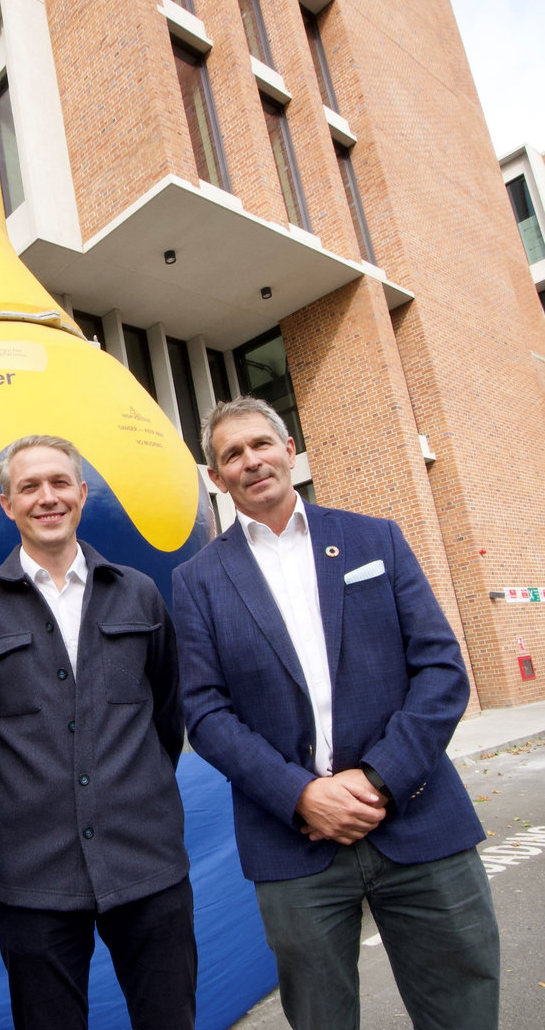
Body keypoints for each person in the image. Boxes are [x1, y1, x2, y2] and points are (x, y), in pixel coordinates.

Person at [172, 395, 499, 1030]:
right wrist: (301, 794)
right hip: (293, 844)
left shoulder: (374, 538)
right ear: (217, 479)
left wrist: (376, 778)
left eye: (260, 444)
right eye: (231, 454)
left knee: (463, 1009)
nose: (250, 461)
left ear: (288, 449)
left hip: (419, 819)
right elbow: (205, 713)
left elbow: (440, 668)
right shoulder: (197, 581)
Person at [0, 435, 197, 1030]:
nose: (46, 497)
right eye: (29, 486)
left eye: (59, 483)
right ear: (7, 504)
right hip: (32, 878)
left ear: (82, 494)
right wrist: (26, 799)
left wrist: (130, 788)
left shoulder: (139, 593)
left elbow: (166, 718)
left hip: (148, 863)